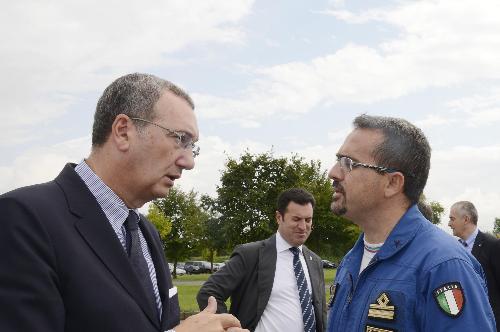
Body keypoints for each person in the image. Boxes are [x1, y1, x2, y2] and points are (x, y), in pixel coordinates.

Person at [0, 73, 248, 332]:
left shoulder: (145, 232)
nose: (189, 162)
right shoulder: (22, 218)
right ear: (123, 131)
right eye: (180, 139)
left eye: (192, 147)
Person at [326, 115, 495, 331]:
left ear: (392, 183)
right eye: (338, 160)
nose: (333, 172)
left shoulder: (444, 265)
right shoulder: (352, 259)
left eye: (348, 163)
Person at [197, 188, 327, 332]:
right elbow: (209, 292)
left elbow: (319, 312)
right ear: (279, 217)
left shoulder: (315, 261)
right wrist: (229, 328)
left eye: (308, 220)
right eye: (296, 219)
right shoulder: (250, 255)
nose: (303, 227)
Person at [449, 200, 500, 329]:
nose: (449, 224)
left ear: (466, 219)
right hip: (463, 322)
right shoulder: (453, 248)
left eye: (452, 219)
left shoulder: (493, 245)